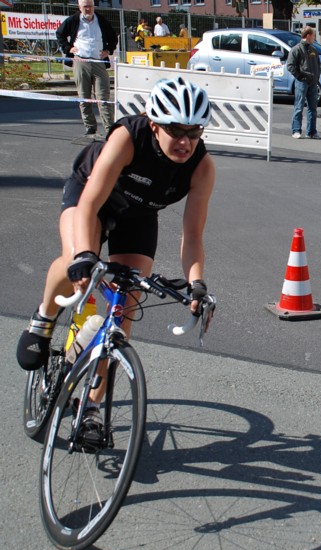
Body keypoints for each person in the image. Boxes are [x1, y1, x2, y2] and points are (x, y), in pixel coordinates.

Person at [16, 77, 215, 430]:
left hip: (136, 215)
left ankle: (90, 409)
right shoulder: (128, 137)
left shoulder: (201, 167)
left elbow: (193, 234)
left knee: (124, 311)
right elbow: (89, 204)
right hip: (91, 197)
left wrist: (196, 283)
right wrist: (85, 257)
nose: (185, 141)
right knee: (76, 261)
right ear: (154, 124)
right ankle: (44, 318)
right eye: (175, 130)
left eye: (195, 132)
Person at [56, 0, 117, 136]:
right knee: (84, 96)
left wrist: (108, 50)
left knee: (103, 97)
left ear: (93, 6)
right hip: (80, 60)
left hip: (98, 61)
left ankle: (109, 129)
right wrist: (69, 48)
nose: (88, 9)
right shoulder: (73, 20)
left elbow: (113, 37)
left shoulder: (101, 20)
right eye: (85, 7)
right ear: (79, 7)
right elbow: (60, 34)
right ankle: (90, 127)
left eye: (90, 6)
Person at [286, 26, 321, 139]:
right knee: (299, 106)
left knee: (313, 108)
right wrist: (299, 76)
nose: (314, 38)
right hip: (302, 82)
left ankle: (311, 131)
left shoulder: (313, 50)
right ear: (308, 36)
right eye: (313, 35)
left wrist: (317, 77)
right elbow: (290, 66)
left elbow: (318, 65)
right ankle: (296, 130)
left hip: (313, 82)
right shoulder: (296, 49)